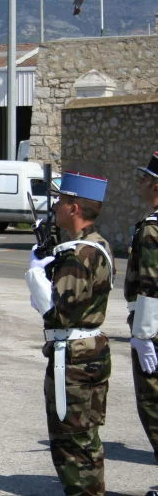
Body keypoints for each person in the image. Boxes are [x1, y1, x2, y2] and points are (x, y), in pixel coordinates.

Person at [25, 171, 114, 496]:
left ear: (74, 207)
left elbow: (57, 313)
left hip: (73, 358)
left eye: (62, 201)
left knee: (70, 445)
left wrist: (36, 275)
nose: (57, 206)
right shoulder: (98, 245)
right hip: (90, 351)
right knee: (86, 439)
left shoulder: (77, 255)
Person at [125, 150, 158, 496]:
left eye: (145, 177)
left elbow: (150, 286)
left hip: (154, 329)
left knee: (153, 408)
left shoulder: (152, 229)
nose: (140, 181)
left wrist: (143, 335)